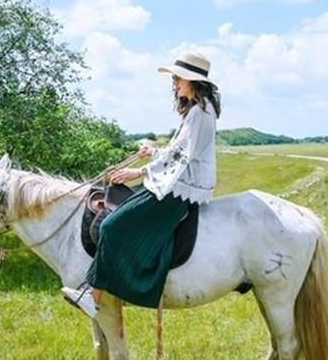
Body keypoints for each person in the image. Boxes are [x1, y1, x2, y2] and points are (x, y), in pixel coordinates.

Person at [61, 52, 221, 318]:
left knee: (112, 226)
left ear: (193, 81)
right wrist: (153, 151)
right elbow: (176, 151)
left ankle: (93, 294)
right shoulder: (196, 110)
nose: (175, 84)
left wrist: (138, 171)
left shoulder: (201, 114)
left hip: (179, 189)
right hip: (173, 181)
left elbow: (183, 158)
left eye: (178, 79)